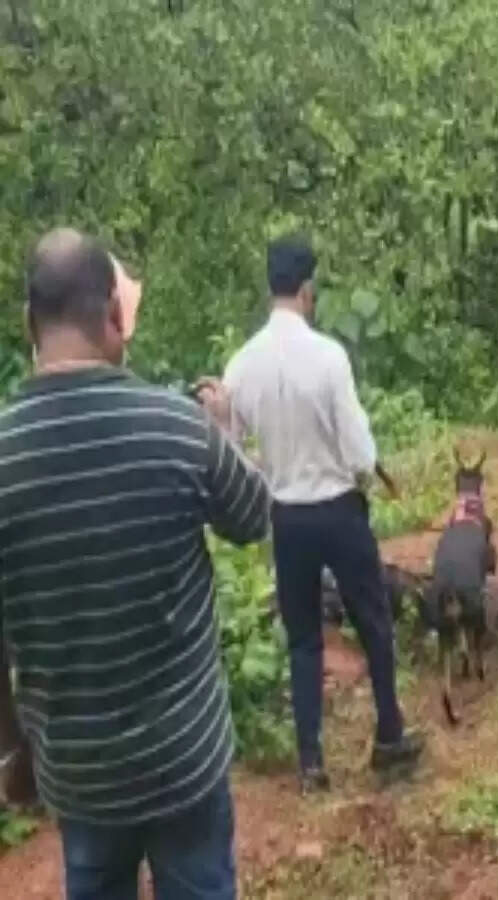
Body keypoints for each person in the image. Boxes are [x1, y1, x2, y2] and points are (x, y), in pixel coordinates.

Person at [0, 228, 271, 898]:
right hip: (184, 760)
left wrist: (14, 748)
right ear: (116, 318)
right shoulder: (177, 427)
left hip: (78, 772)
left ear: (30, 324)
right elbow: (255, 517)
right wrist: (229, 433)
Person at [200, 235, 423, 793]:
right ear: (306, 290)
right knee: (373, 620)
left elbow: (232, 449)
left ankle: (310, 763)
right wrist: (370, 470)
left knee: (303, 639)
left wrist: (231, 423)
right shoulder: (329, 357)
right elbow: (358, 449)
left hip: (288, 519)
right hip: (340, 512)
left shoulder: (242, 364)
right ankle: (390, 734)